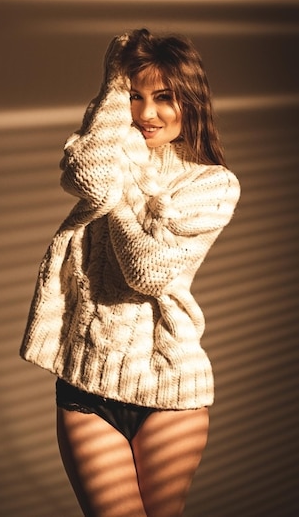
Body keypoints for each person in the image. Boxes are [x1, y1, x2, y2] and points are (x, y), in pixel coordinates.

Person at [20, 28, 240, 517]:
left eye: (164, 98)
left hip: (170, 387)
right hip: (87, 381)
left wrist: (118, 196)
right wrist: (111, 82)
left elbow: (148, 271)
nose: (145, 114)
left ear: (191, 103)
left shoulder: (213, 183)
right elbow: (86, 177)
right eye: (134, 97)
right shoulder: (108, 155)